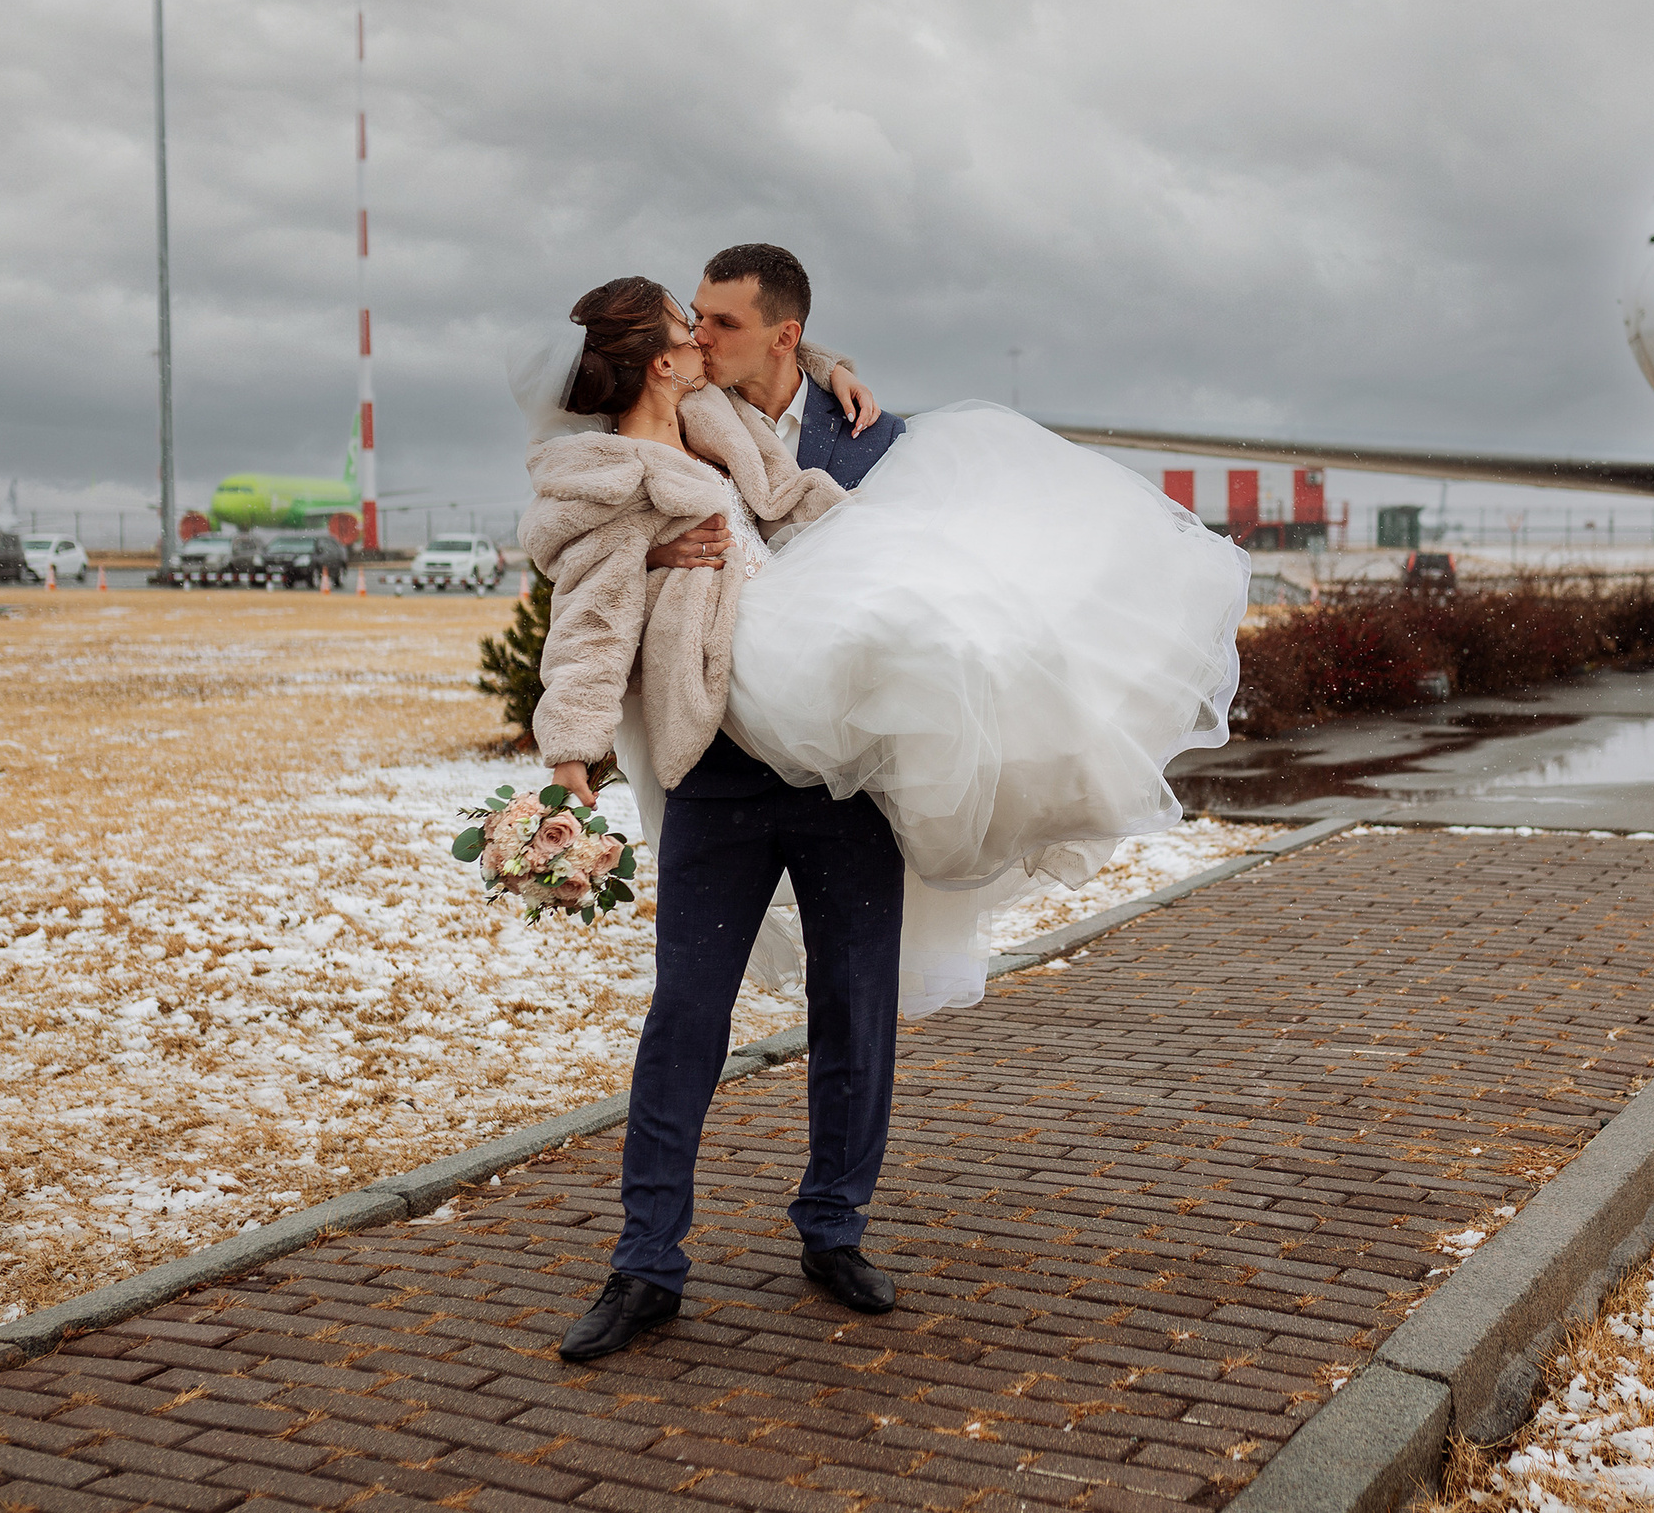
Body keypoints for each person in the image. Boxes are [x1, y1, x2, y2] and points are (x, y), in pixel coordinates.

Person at [513, 245, 1246, 1364]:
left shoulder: (825, 426)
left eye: (721, 323)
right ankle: (645, 1261)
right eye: (690, 323)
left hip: (845, 774)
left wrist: (828, 369)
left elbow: (862, 514)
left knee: (856, 1006)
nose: (701, 337)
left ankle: (834, 1228)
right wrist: (587, 715)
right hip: (718, 772)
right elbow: (592, 598)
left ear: (781, 337)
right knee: (685, 1015)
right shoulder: (638, 454)